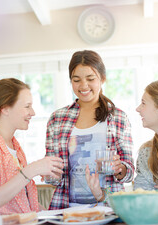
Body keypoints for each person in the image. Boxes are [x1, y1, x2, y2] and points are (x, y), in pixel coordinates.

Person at [45, 50, 134, 210]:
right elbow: (53, 175)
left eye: (90, 79)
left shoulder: (118, 117)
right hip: (67, 209)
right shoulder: (57, 119)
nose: (83, 86)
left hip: (109, 208)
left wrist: (120, 168)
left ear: (102, 79)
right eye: (76, 80)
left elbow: (128, 171)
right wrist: (49, 173)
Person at [0, 78, 63, 214]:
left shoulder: (15, 147)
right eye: (27, 106)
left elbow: (22, 202)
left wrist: (55, 215)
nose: (33, 112)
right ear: (5, 109)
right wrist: (32, 170)